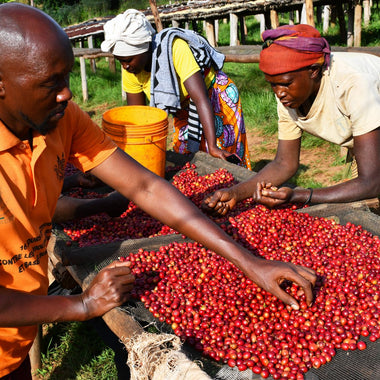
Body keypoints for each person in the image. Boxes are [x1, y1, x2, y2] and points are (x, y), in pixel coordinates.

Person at [0, 4, 316, 378]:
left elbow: (145, 185)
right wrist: (82, 306)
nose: (67, 94)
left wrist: (251, 262)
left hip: (15, 340)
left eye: (67, 77)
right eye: (51, 83)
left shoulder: (61, 121)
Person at [203, 23, 380, 215]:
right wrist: (235, 193)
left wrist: (301, 195)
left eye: (286, 84)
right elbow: (284, 163)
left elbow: (370, 182)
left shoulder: (353, 85)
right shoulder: (289, 97)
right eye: (273, 85)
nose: (279, 93)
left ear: (313, 71)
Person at [100, 9, 252, 169]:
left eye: (128, 60)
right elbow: (138, 120)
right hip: (182, 108)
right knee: (185, 158)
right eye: (120, 62)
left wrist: (213, 146)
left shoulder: (174, 48)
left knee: (224, 158)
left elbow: (200, 99)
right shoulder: (131, 70)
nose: (125, 66)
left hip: (214, 97)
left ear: (144, 49)